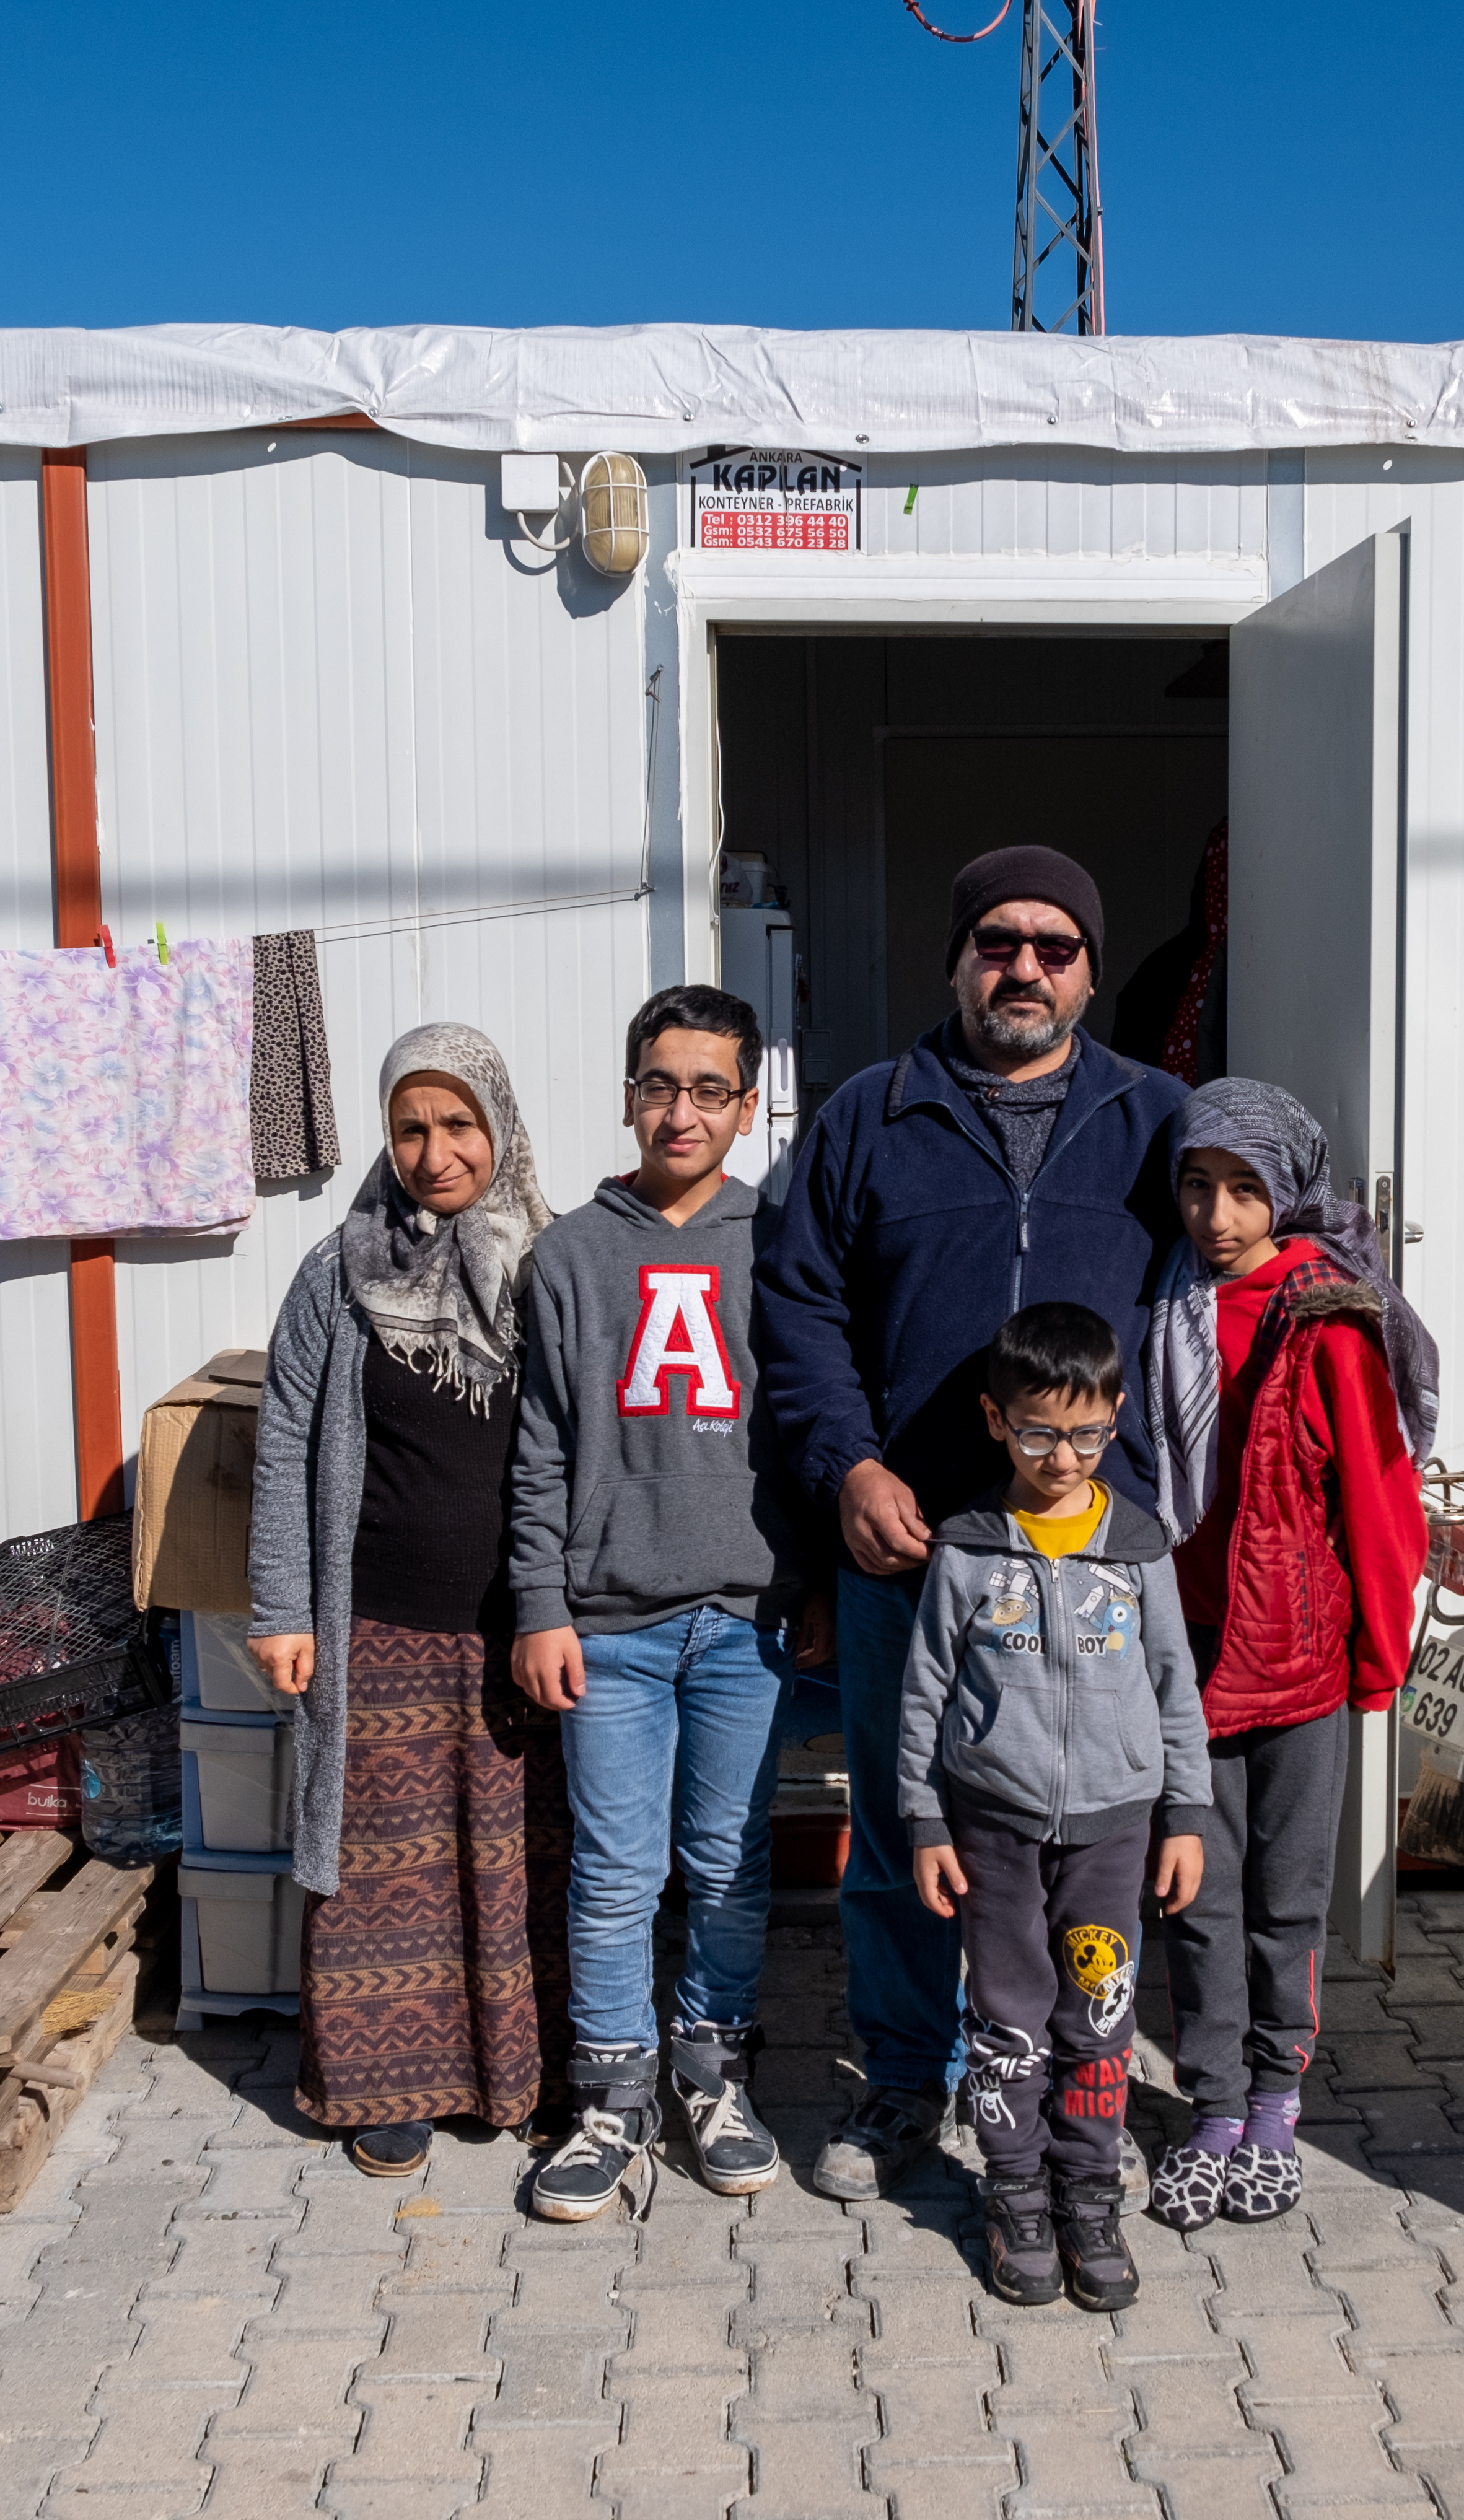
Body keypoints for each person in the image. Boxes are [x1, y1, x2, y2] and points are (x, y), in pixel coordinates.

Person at [756, 843, 1190, 2201]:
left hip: (1093, 1570)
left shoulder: (1157, 1117)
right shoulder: (870, 1116)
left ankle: (1072, 2090)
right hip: (920, 1551)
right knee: (907, 1827)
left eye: (1054, 948)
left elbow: (1239, 1259)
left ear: (1091, 973)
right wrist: (849, 1467)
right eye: (998, 940)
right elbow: (799, 1310)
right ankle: (901, 2078)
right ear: (956, 958)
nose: (1024, 967)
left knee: (1086, 1837)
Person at [244, 1022, 572, 2176]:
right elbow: (286, 1439)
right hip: (373, 1622)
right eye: (410, 1127)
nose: (436, 1152)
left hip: (520, 1629)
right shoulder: (341, 1267)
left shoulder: (554, 1261)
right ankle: (387, 2088)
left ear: (499, 1125)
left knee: (518, 1857)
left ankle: (520, 2078)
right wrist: (282, 1609)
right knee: (385, 1868)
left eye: (458, 1124)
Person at [506, 984, 800, 2220]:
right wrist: (538, 1603)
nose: (682, 1111)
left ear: (744, 1109)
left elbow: (808, 1430)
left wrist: (817, 1586)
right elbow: (539, 1447)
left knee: (730, 1866)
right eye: (660, 1085)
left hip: (746, 1618)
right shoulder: (572, 1251)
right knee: (618, 1871)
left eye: (710, 1090)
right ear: (629, 1094)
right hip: (610, 1624)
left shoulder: (779, 1241)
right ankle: (612, 2096)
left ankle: (711, 2068)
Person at [1134, 1078, 1440, 2231]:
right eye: (1198, 1186)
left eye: (1244, 1190)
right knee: (1197, 1894)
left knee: (1288, 1896)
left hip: (1300, 1654)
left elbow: (1377, 1499)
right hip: (1186, 1655)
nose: (1216, 1215)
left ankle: (1274, 2106)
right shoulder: (1159, 1302)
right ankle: (1210, 2107)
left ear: (1289, 1193)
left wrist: (1375, 1652)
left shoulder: (1324, 1318)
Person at [900, 1303, 1210, 2311]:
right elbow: (924, 1693)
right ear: (997, 1422)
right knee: (1009, 2022)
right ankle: (1015, 2191)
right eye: (1037, 1432)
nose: (1061, 1456)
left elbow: (1174, 1688)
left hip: (1115, 1833)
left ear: (1115, 1417)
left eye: (1082, 1433)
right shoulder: (967, 1547)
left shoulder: (1137, 1548)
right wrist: (927, 1820)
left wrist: (1186, 1817)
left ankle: (1087, 2191)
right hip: (990, 1827)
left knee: (1098, 2018)